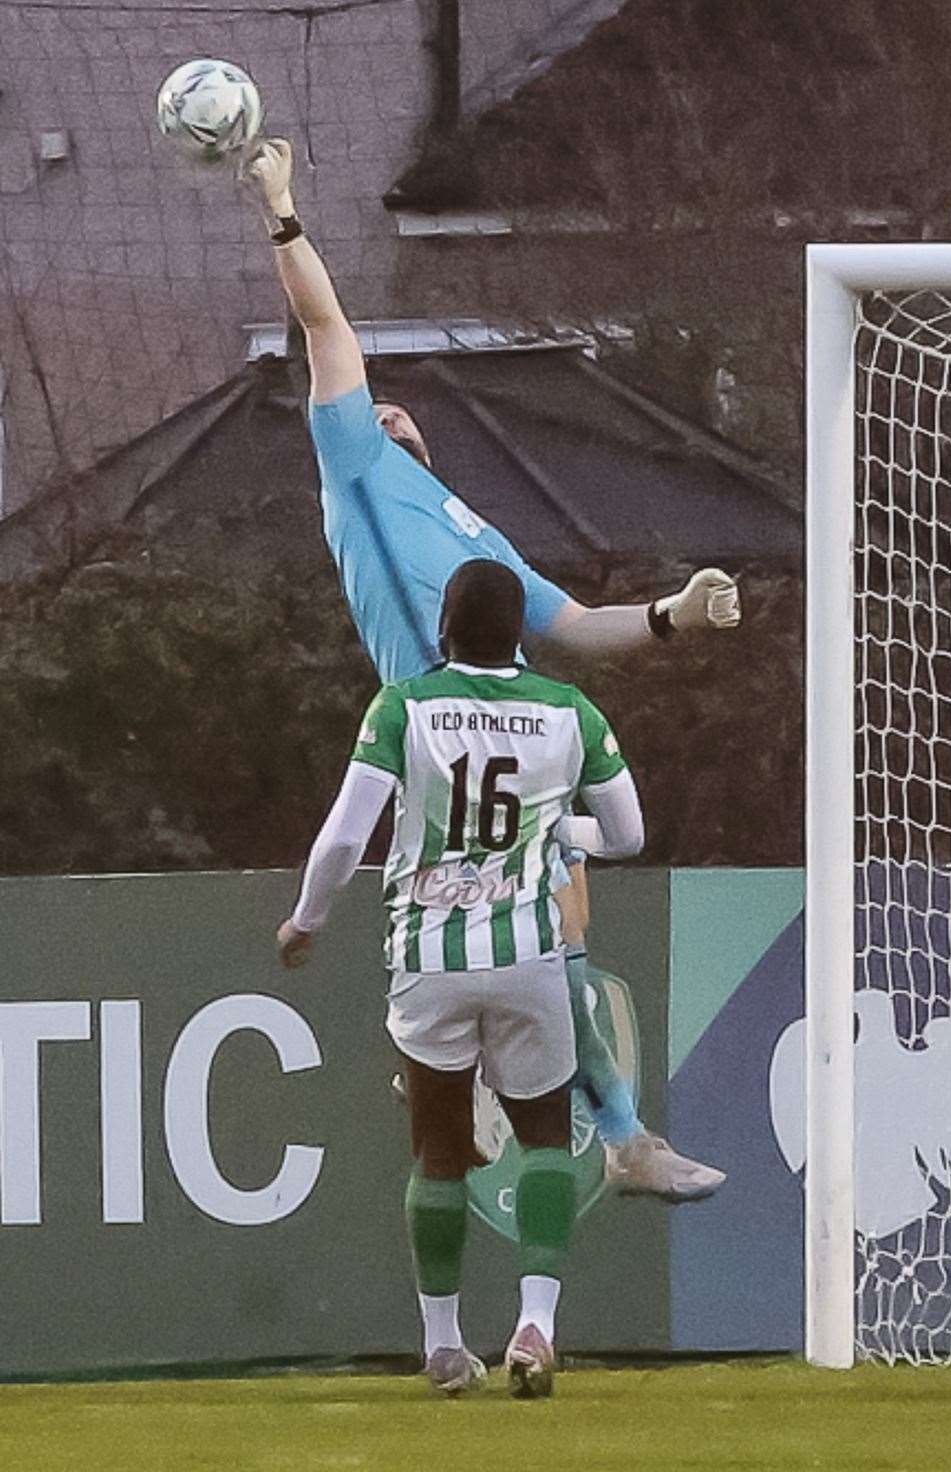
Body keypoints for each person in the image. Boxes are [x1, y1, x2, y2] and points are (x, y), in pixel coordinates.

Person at [241, 137, 724, 1202]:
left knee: (564, 948)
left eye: (393, 406)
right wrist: (282, 210)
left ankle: (606, 1131)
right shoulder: (352, 467)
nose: (383, 408)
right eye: (369, 402)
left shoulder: (473, 532)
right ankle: (497, 1094)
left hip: (501, 741)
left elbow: (585, 626)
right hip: (437, 740)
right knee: (542, 944)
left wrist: (671, 615)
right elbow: (324, 322)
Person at [278, 559, 644, 1396]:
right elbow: (627, 835)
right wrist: (561, 832)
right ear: (520, 631)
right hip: (528, 957)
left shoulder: (403, 707)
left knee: (440, 1147)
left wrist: (308, 919)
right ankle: (535, 1325)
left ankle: (443, 1346)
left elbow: (344, 836)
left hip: (429, 960)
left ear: (443, 626)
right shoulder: (569, 712)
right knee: (546, 1137)